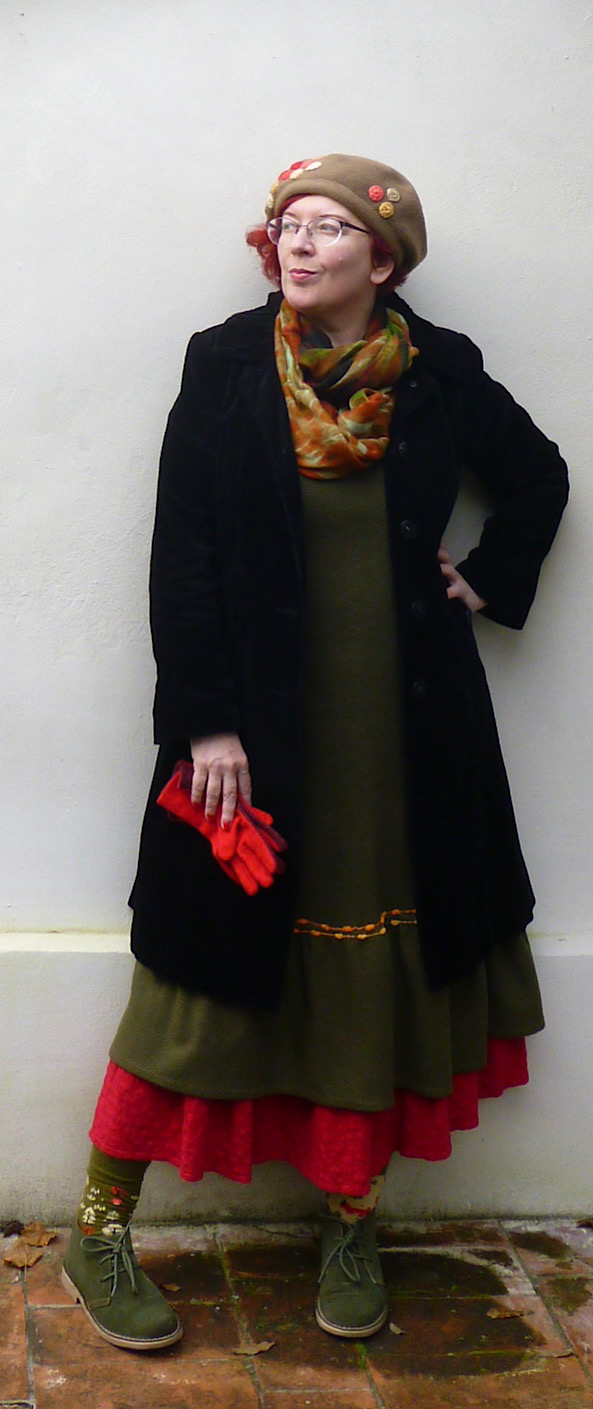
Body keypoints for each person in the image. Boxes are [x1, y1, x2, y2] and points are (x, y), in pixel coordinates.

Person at [62, 154, 568, 1349]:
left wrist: (481, 578)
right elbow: (181, 548)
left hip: (403, 735)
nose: (297, 244)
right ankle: (97, 1224)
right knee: (196, 968)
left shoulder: (437, 369)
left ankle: (348, 1218)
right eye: (286, 224)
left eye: (327, 227)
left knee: (365, 972)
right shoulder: (226, 363)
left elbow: (538, 474)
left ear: (380, 259)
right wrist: (204, 719)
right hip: (247, 734)